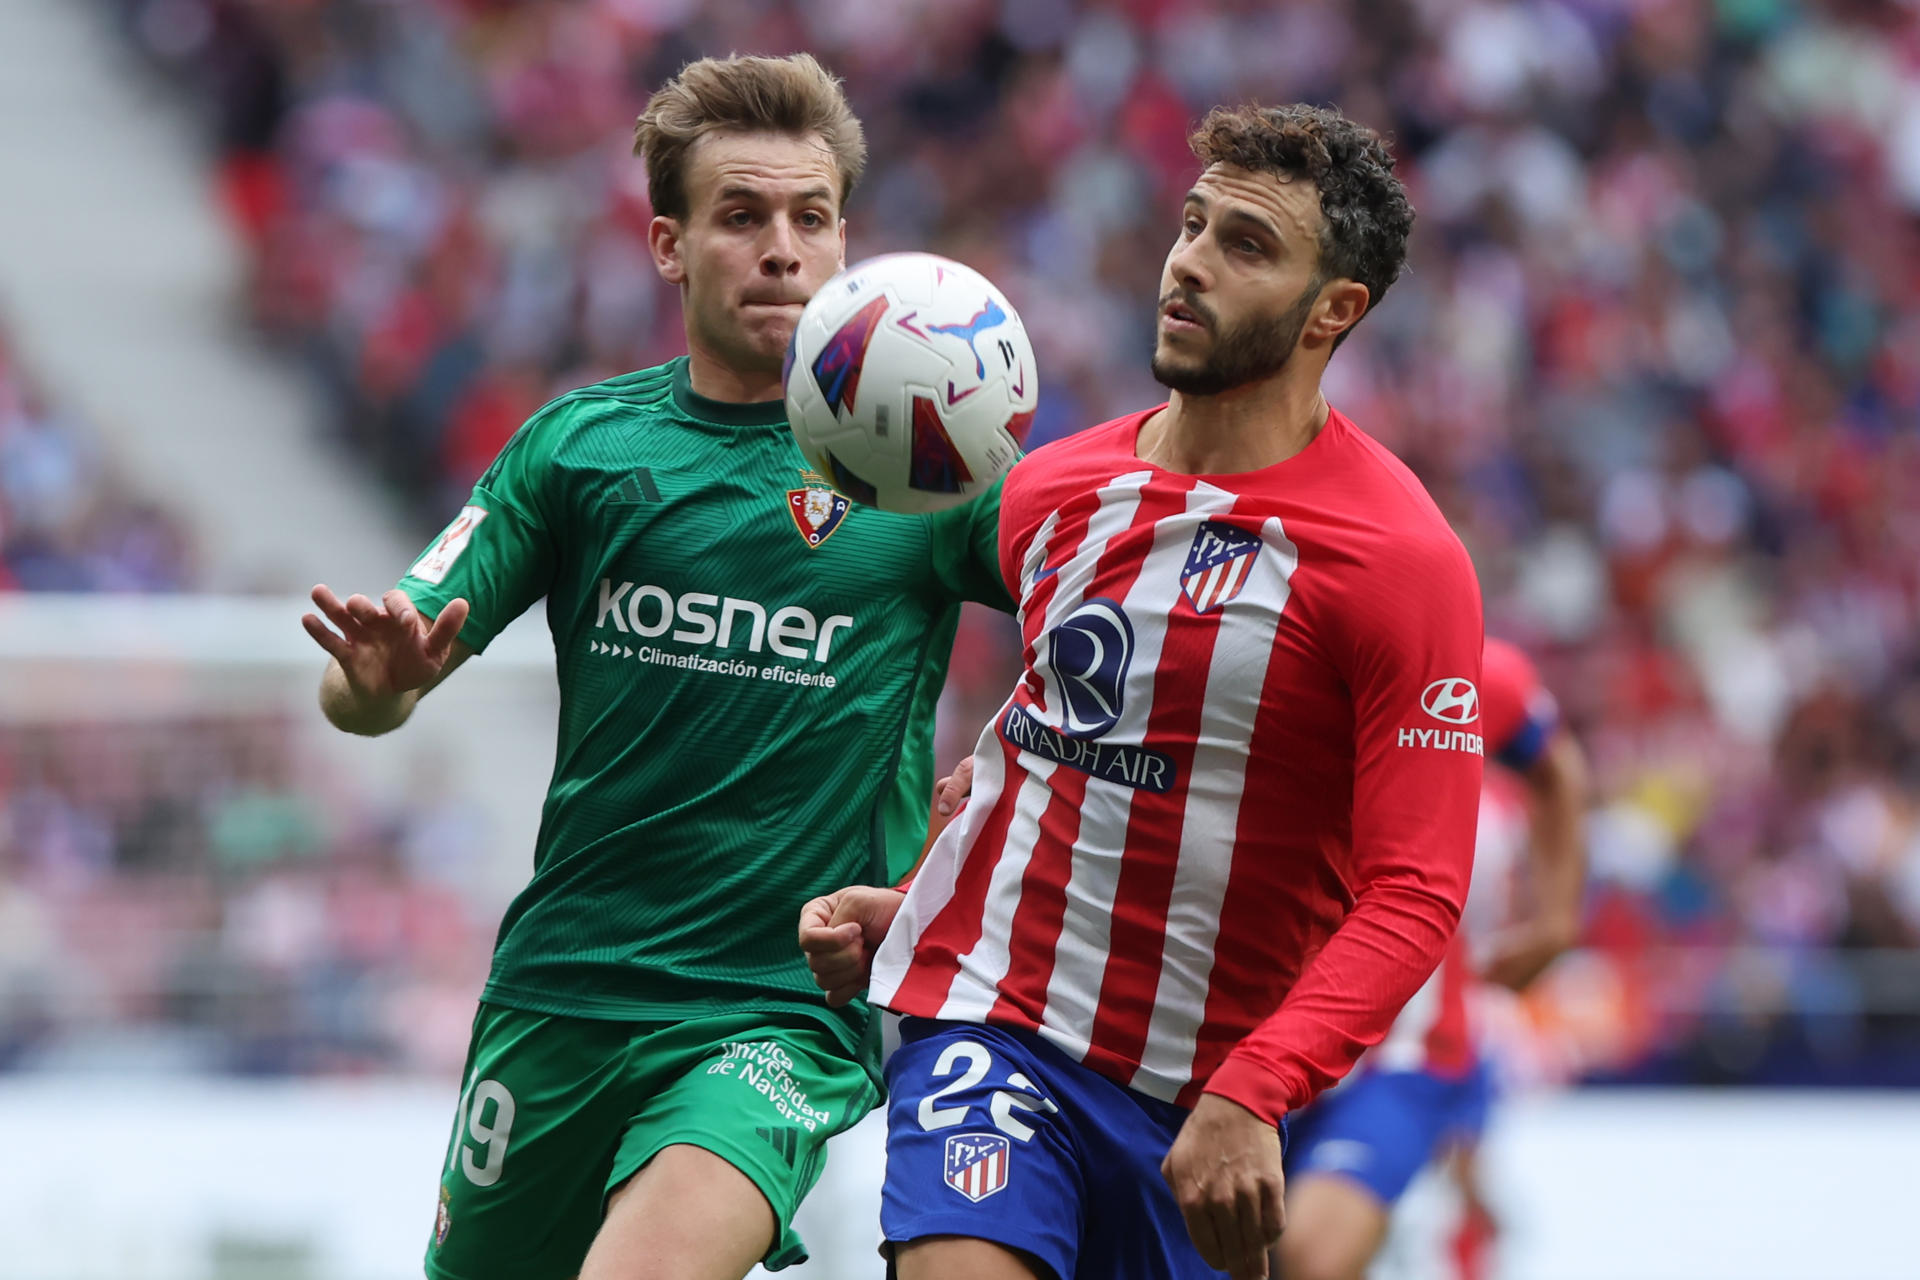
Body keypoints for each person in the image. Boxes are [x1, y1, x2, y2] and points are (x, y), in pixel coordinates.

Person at [301, 53, 1009, 1280]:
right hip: (565, 985)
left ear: (848, 237)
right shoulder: (584, 448)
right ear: (670, 246)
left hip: (776, 1005)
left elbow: (1099, 634)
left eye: (811, 217)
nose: (782, 249)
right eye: (742, 218)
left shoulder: (929, 475)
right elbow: (364, 691)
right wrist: (379, 674)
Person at [800, 103, 1483, 1280]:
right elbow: (1049, 741)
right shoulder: (1054, 488)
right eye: (1193, 223)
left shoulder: (1398, 562)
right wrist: (918, 894)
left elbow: (1417, 890)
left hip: (1203, 1110)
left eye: (1247, 246)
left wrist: (1258, 1086)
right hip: (994, 1024)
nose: (1191, 263)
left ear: (1335, 312)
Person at [1277, 637, 1588, 1280]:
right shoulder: (1234, 658)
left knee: (1311, 1256)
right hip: (1246, 1043)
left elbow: (1555, 768)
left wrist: (1556, 921)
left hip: (1400, 1054)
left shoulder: (1465, 675)